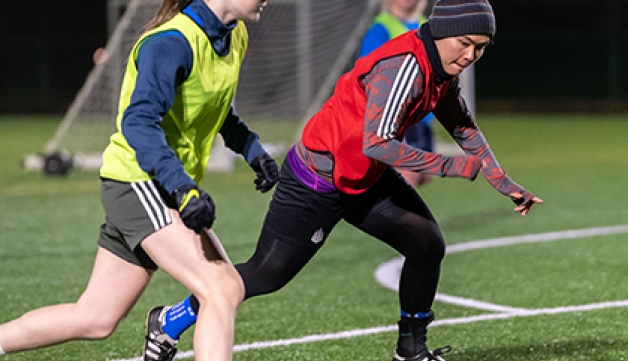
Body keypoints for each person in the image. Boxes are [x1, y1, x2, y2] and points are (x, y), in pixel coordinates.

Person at [142, 1, 544, 360]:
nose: (471, 54)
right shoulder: (406, 65)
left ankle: (411, 350)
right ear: (441, 31)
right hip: (317, 178)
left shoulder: (442, 69)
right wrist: (455, 167)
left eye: (481, 47)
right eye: (465, 43)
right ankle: (168, 320)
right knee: (266, 274)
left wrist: (502, 180)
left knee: (426, 243)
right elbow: (377, 144)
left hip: (363, 178)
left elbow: (464, 127)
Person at [0, 1, 278, 361]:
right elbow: (138, 122)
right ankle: (166, 325)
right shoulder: (171, 42)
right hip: (139, 182)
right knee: (222, 288)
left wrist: (252, 149)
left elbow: (216, 107)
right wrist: (182, 187)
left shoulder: (234, 35)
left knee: (95, 318)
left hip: (156, 184)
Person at [358, 0, 436, 188]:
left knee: (424, 175)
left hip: (422, 116)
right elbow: (365, 73)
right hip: (398, 115)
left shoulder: (426, 26)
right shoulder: (381, 27)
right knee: (407, 175)